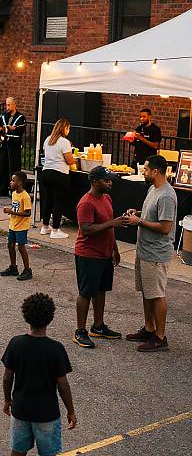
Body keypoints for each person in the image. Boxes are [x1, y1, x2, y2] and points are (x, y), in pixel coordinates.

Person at [2, 293, 76, 456]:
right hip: (46, 413)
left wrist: (7, 400)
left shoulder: (16, 343)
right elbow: (63, 385)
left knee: (17, 452)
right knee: (48, 455)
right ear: (50, 318)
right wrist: (70, 411)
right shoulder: (56, 349)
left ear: (26, 316)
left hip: (21, 410)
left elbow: (7, 377)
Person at [123, 155, 177, 352]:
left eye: (145, 169)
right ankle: (148, 328)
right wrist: (137, 213)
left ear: (155, 171)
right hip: (144, 249)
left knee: (157, 294)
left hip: (156, 253)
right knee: (147, 291)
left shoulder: (167, 195)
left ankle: (160, 337)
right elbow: (150, 214)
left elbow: (165, 227)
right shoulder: (152, 189)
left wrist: (140, 222)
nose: (143, 172)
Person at [73, 166, 124, 349]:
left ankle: (98, 326)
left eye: (110, 179)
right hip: (88, 254)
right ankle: (80, 331)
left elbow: (109, 228)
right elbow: (86, 229)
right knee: (86, 292)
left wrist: (114, 249)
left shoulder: (106, 198)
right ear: (95, 182)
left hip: (104, 253)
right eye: (106, 180)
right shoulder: (86, 203)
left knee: (101, 290)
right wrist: (113, 223)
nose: (110, 182)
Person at [40, 118, 75, 240]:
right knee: (59, 202)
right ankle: (55, 229)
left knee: (48, 200)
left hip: (46, 173)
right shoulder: (64, 142)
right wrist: (75, 158)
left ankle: (45, 226)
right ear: (64, 128)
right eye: (68, 128)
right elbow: (69, 160)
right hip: (59, 174)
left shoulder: (47, 139)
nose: (69, 131)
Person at [0, 171, 33, 281]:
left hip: (21, 226)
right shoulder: (14, 194)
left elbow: (28, 213)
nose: (10, 182)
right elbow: (15, 207)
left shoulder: (25, 196)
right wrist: (10, 210)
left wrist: (12, 212)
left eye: (13, 180)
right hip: (13, 224)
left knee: (21, 247)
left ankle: (27, 270)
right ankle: (13, 267)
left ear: (19, 183)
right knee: (10, 245)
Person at [0, 97, 26, 197]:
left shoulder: (20, 117)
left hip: (14, 145)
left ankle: (14, 191)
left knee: (14, 168)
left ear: (14, 105)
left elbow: (17, 129)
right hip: (4, 144)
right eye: (6, 104)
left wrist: (8, 128)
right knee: (2, 167)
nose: (7, 107)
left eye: (9, 105)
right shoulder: (3, 115)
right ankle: (2, 190)